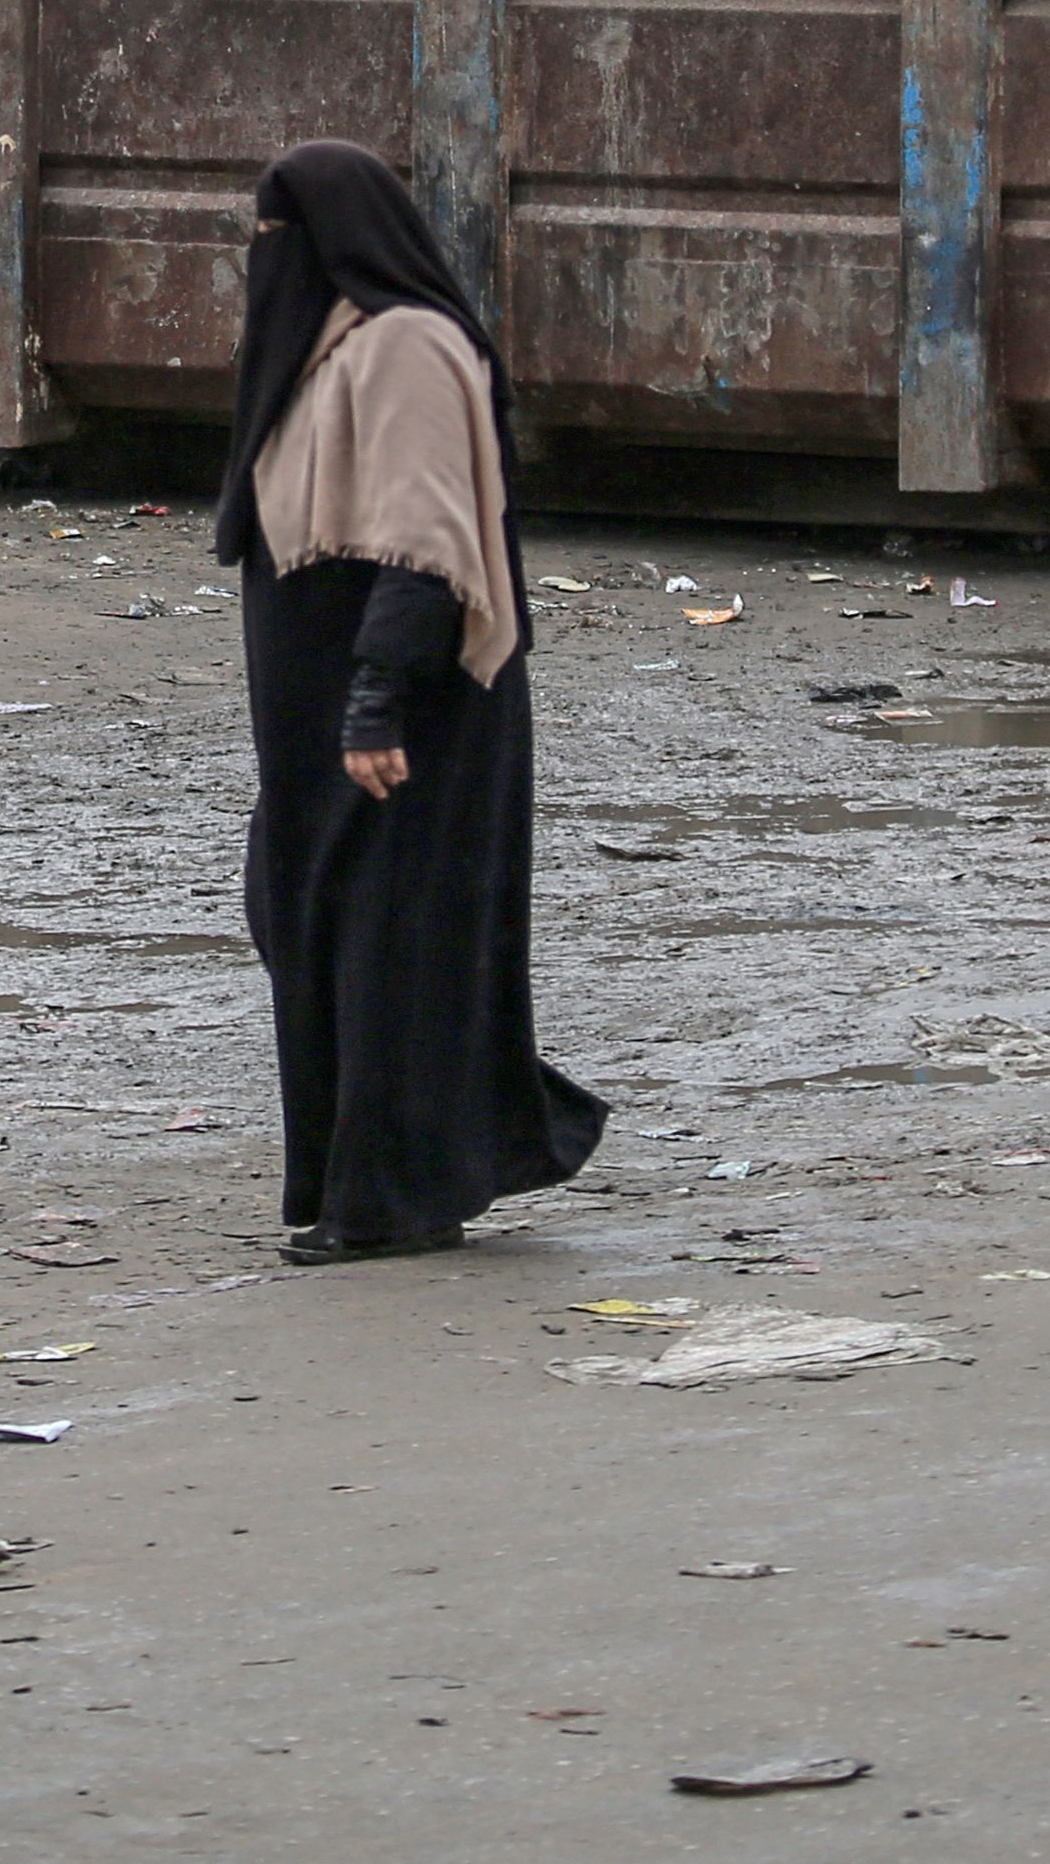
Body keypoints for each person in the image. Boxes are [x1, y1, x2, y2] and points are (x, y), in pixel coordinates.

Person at [210, 141, 607, 1265]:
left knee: (388, 943)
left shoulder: (412, 348)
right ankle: (424, 1153)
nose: (265, 259)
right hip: (315, 730)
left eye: (279, 235)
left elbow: (427, 545)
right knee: (304, 920)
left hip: (408, 720)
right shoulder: (325, 348)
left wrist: (375, 705)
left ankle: (388, 1204)